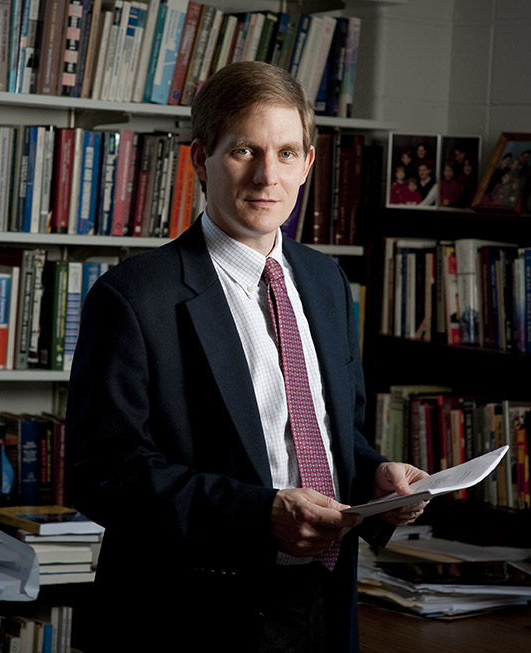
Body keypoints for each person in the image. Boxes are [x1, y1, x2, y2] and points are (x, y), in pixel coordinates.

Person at [66, 61, 428, 653]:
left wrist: (376, 477)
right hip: (191, 616)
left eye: (287, 153)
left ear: (309, 163)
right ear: (199, 159)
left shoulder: (327, 282)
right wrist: (259, 513)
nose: (267, 176)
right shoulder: (134, 297)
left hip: (327, 600)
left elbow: (337, 434)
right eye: (244, 151)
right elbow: (101, 475)